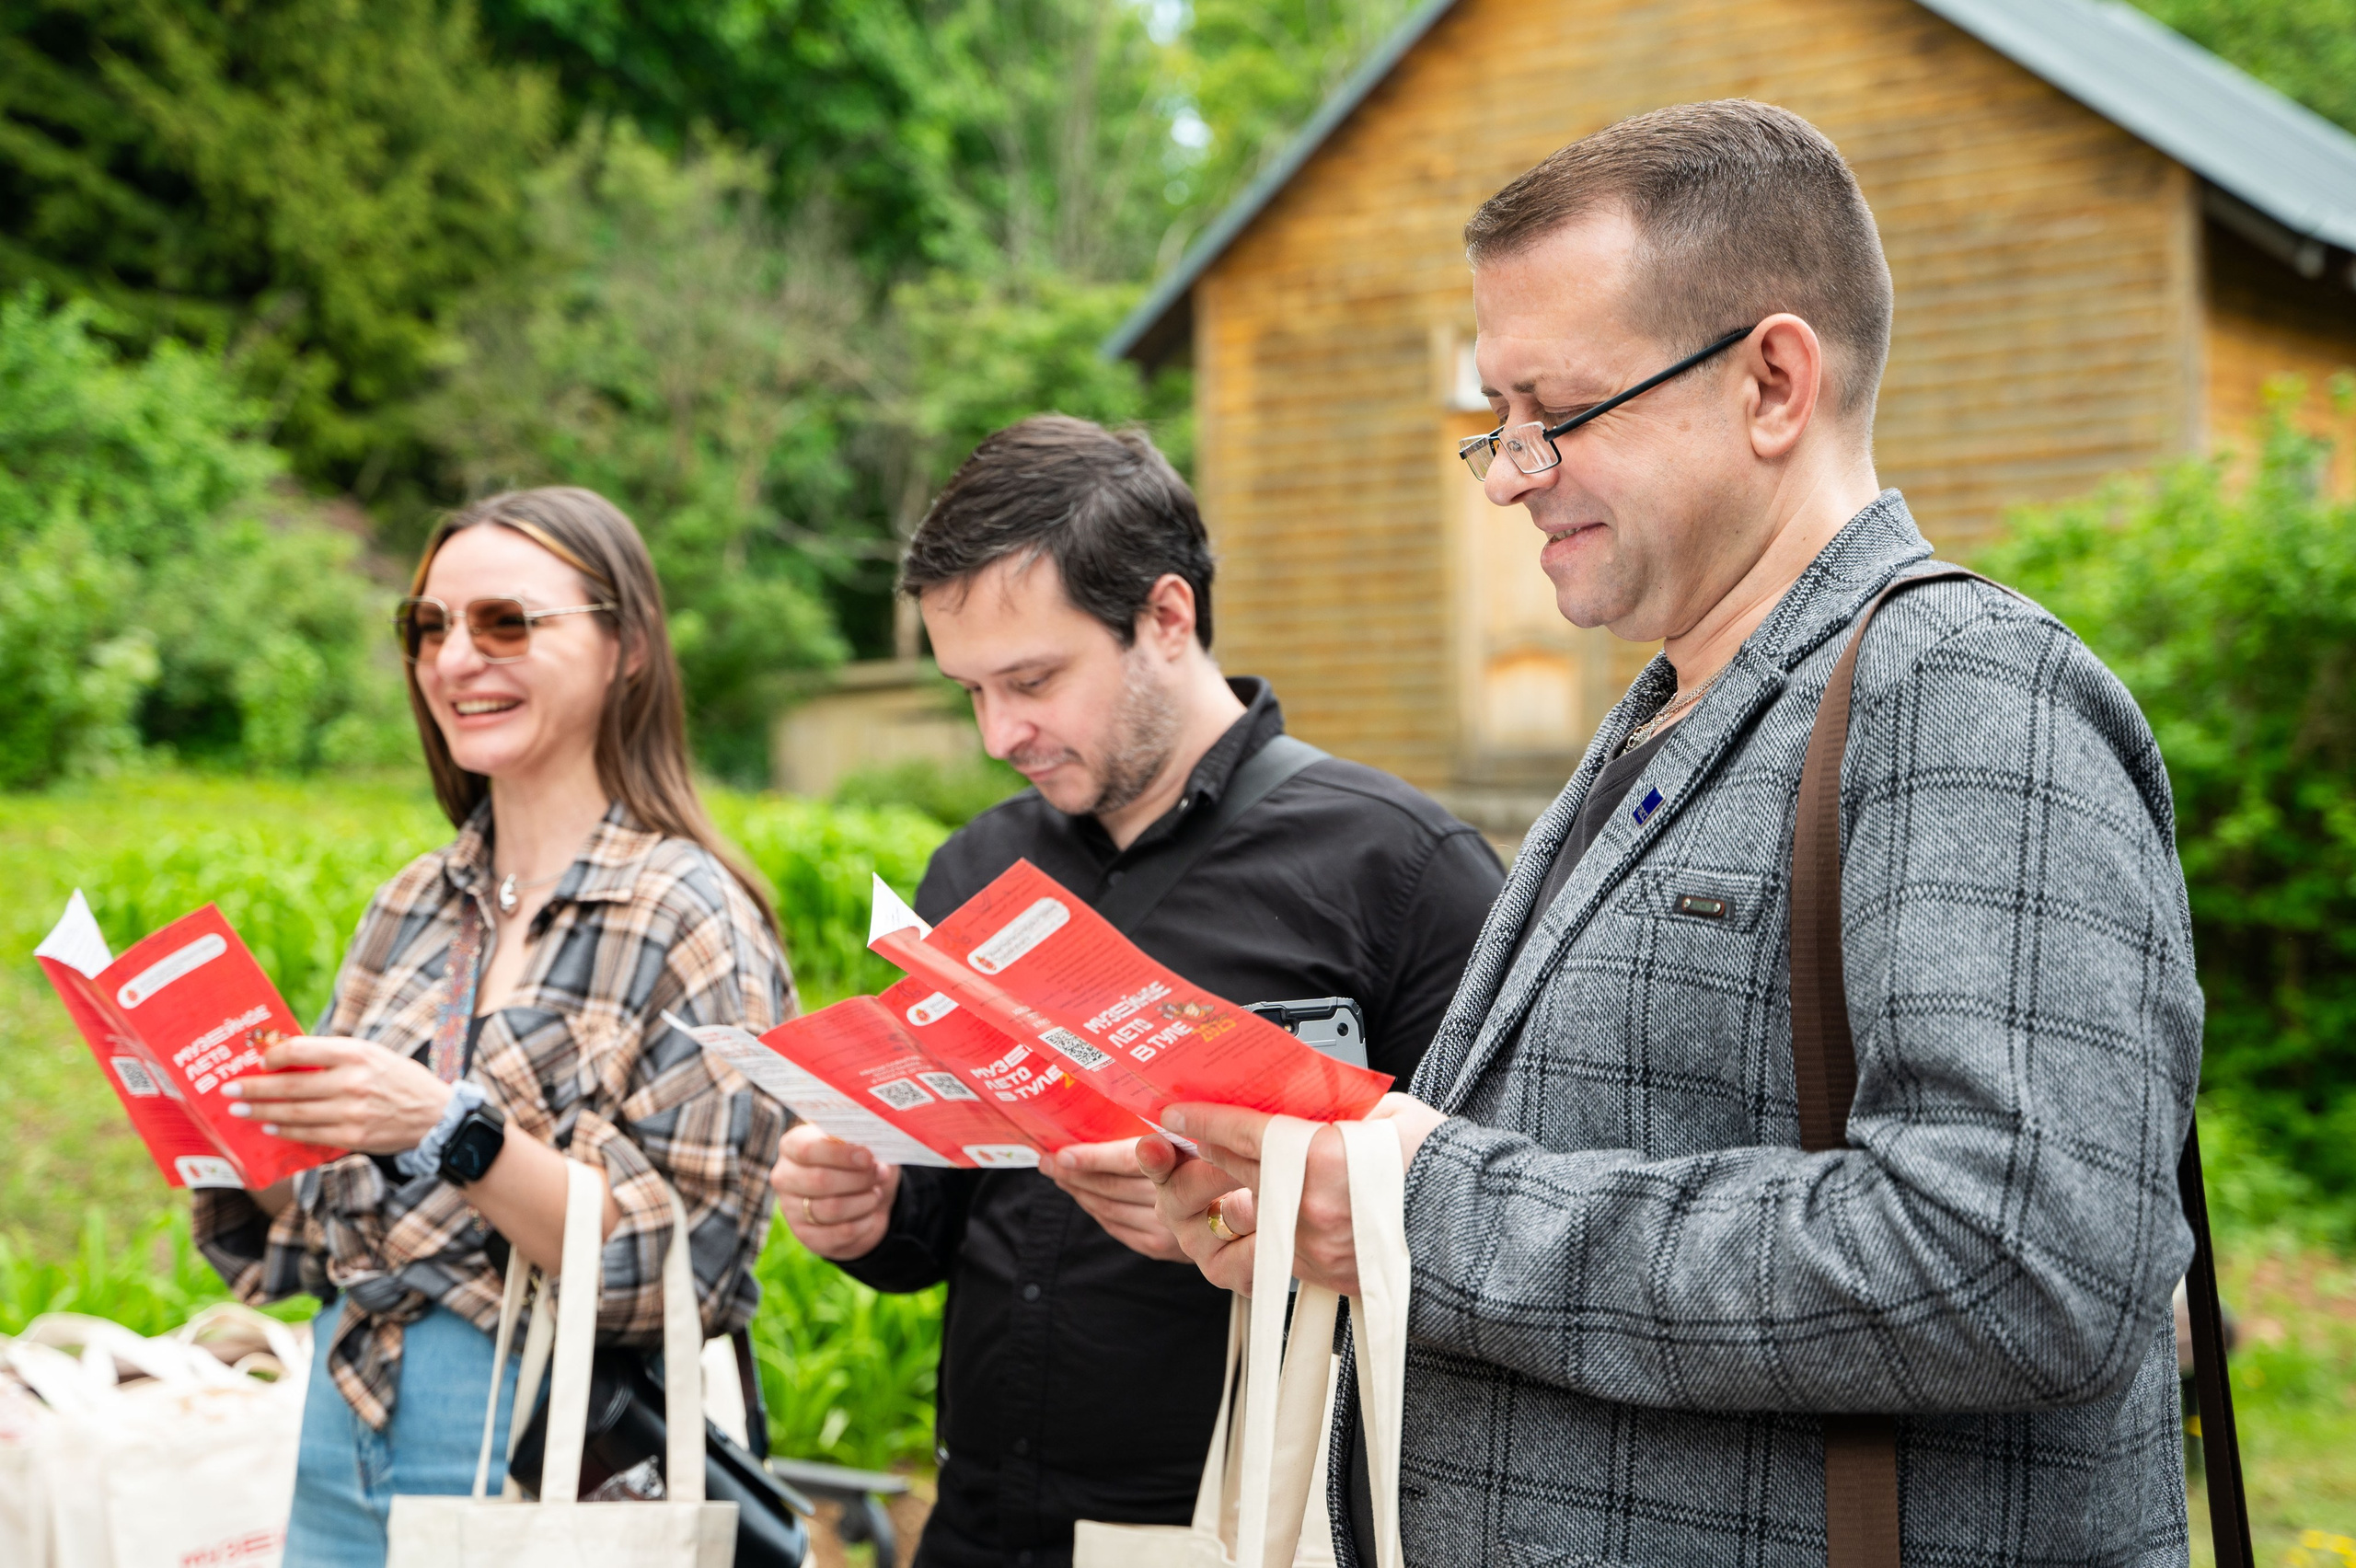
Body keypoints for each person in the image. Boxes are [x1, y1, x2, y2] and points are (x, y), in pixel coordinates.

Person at [1142, 101, 2205, 1566]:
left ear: (1773, 383)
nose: (1510, 472)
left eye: (1557, 412)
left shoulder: (1965, 690)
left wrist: (1423, 1210)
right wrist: (1319, 1206)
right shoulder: (1668, 714)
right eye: (1497, 419)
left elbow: (2018, 1259)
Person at [769, 415, 1504, 1568]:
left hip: (1240, 1534)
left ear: (1167, 617)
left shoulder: (1403, 870)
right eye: (969, 691)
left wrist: (1253, 1219)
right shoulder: (973, 868)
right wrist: (870, 1215)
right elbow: (942, 1223)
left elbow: (1493, 1238)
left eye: (1031, 681)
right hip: (977, 1528)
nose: (999, 733)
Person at [194, 488, 793, 1566]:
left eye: (505, 622)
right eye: (429, 626)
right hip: (345, 1418)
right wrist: (225, 1120)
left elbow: (686, 1267)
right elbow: (323, 1227)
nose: (456, 658)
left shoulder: (689, 915)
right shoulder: (411, 902)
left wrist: (452, 1132)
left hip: (544, 1442)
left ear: (626, 648)